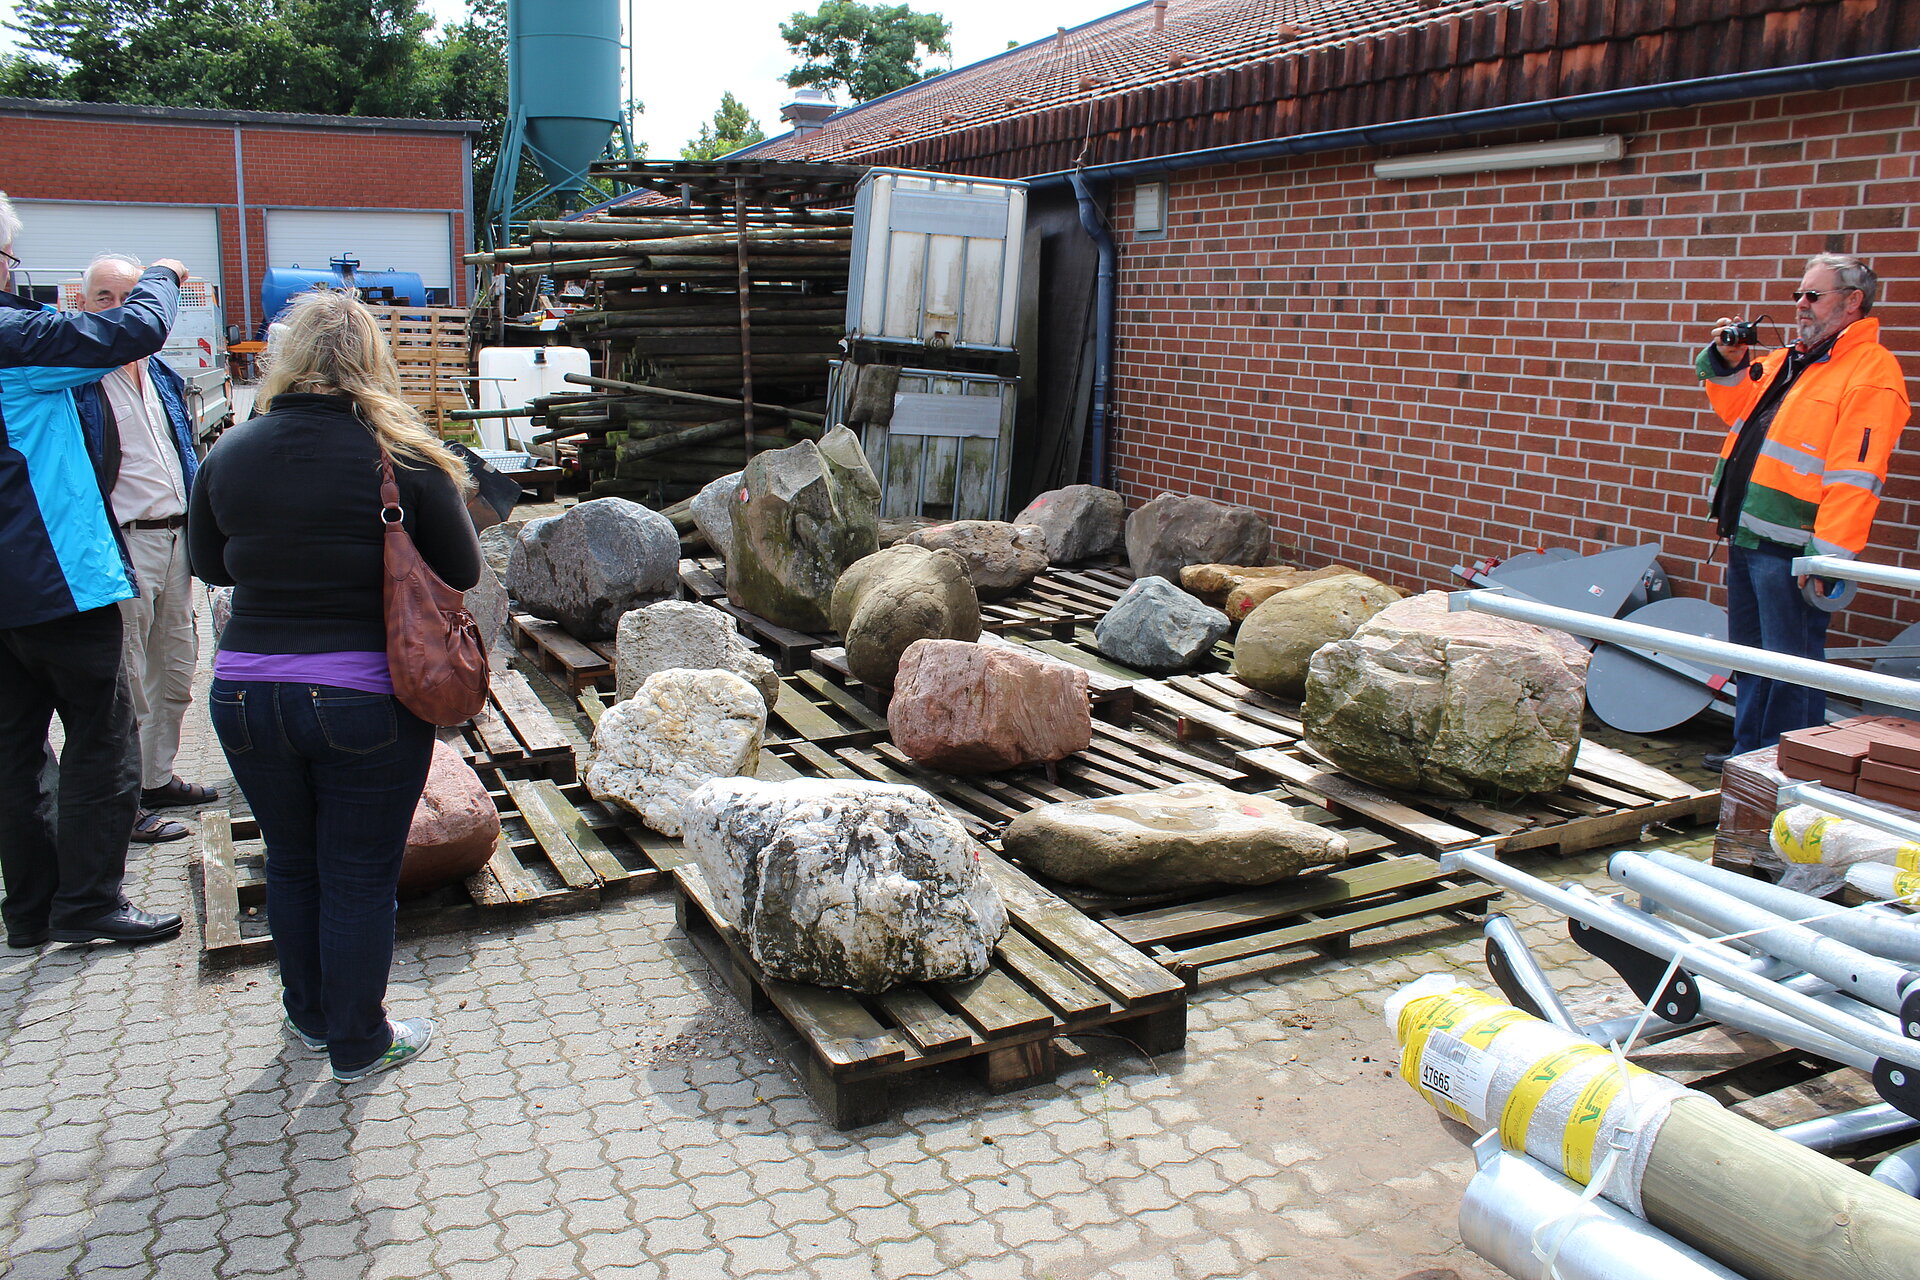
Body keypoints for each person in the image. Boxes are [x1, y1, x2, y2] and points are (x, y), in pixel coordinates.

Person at [188, 290, 481, 1083]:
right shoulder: (404, 457)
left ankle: (309, 1015)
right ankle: (359, 1042)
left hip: (245, 694)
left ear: (288, 357)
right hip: (365, 700)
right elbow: (462, 570)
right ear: (371, 360)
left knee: (290, 859)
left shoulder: (230, 450)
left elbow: (208, 566)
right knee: (357, 875)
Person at [0, 190, 190, 947]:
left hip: (11, 591)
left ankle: (31, 910)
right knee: (101, 737)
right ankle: (89, 901)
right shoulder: (17, 337)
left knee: (16, 751)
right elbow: (135, 329)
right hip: (55, 575)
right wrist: (166, 274)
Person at [1697, 253, 1910, 766]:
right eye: (1798, 295)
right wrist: (1727, 360)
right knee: (1749, 655)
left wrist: (1826, 559)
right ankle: (1748, 753)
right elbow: (1733, 406)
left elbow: (1857, 476)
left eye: (1813, 296)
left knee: (1793, 665)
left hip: (1794, 548)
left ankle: (1786, 763)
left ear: (1852, 301)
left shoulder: (1870, 373)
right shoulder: (1791, 359)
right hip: (1749, 535)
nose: (1800, 306)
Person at [72, 253, 221, 843]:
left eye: (128, 298)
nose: (116, 309)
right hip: (123, 543)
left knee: (177, 667)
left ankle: (155, 776)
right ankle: (120, 799)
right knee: (126, 677)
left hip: (176, 537)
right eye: (103, 298)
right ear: (84, 307)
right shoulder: (78, 377)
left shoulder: (159, 374)